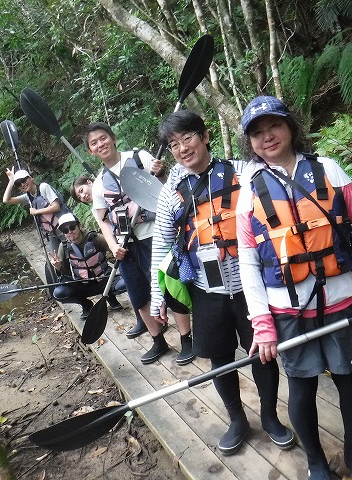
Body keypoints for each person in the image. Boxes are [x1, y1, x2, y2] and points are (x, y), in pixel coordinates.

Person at [236, 96, 352, 480]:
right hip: (288, 310)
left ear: (290, 126)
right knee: (302, 388)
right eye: (257, 133)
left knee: (350, 381)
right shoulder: (249, 190)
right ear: (250, 143)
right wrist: (261, 321)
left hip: (341, 300)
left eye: (274, 126)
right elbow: (248, 262)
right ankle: (315, 462)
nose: (267, 136)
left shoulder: (329, 170)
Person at [150, 110, 295, 456]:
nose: (183, 148)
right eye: (174, 144)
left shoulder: (243, 172)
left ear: (205, 136)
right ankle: (237, 420)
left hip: (251, 286)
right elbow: (160, 243)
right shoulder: (171, 193)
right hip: (205, 289)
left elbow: (279, 182)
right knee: (219, 357)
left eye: (188, 138)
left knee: (262, 353)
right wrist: (157, 295)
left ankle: (270, 417)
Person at [85, 122, 195, 365]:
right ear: (91, 151)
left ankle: (186, 339)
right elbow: (103, 220)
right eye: (94, 143)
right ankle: (158, 341)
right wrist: (112, 246)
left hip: (155, 235)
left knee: (170, 287)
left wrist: (161, 173)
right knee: (138, 295)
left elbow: (167, 188)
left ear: (113, 138)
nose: (100, 144)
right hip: (126, 245)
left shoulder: (139, 158)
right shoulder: (100, 183)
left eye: (103, 138)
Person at [48, 213, 124, 319]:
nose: (70, 232)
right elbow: (64, 274)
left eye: (72, 227)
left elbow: (115, 250)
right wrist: (57, 266)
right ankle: (86, 304)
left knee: (125, 283)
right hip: (82, 284)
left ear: (79, 226)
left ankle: (110, 296)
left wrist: (118, 250)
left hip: (105, 280)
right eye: (65, 230)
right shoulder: (64, 247)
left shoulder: (96, 238)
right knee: (59, 293)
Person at [2, 168, 71, 254]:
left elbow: (56, 207)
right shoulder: (28, 197)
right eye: (18, 184)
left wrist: (36, 211)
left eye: (23, 180)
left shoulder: (44, 187)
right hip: (50, 232)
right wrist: (11, 181)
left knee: (72, 252)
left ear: (31, 178)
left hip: (64, 226)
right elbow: (6, 200)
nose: (22, 184)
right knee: (57, 259)